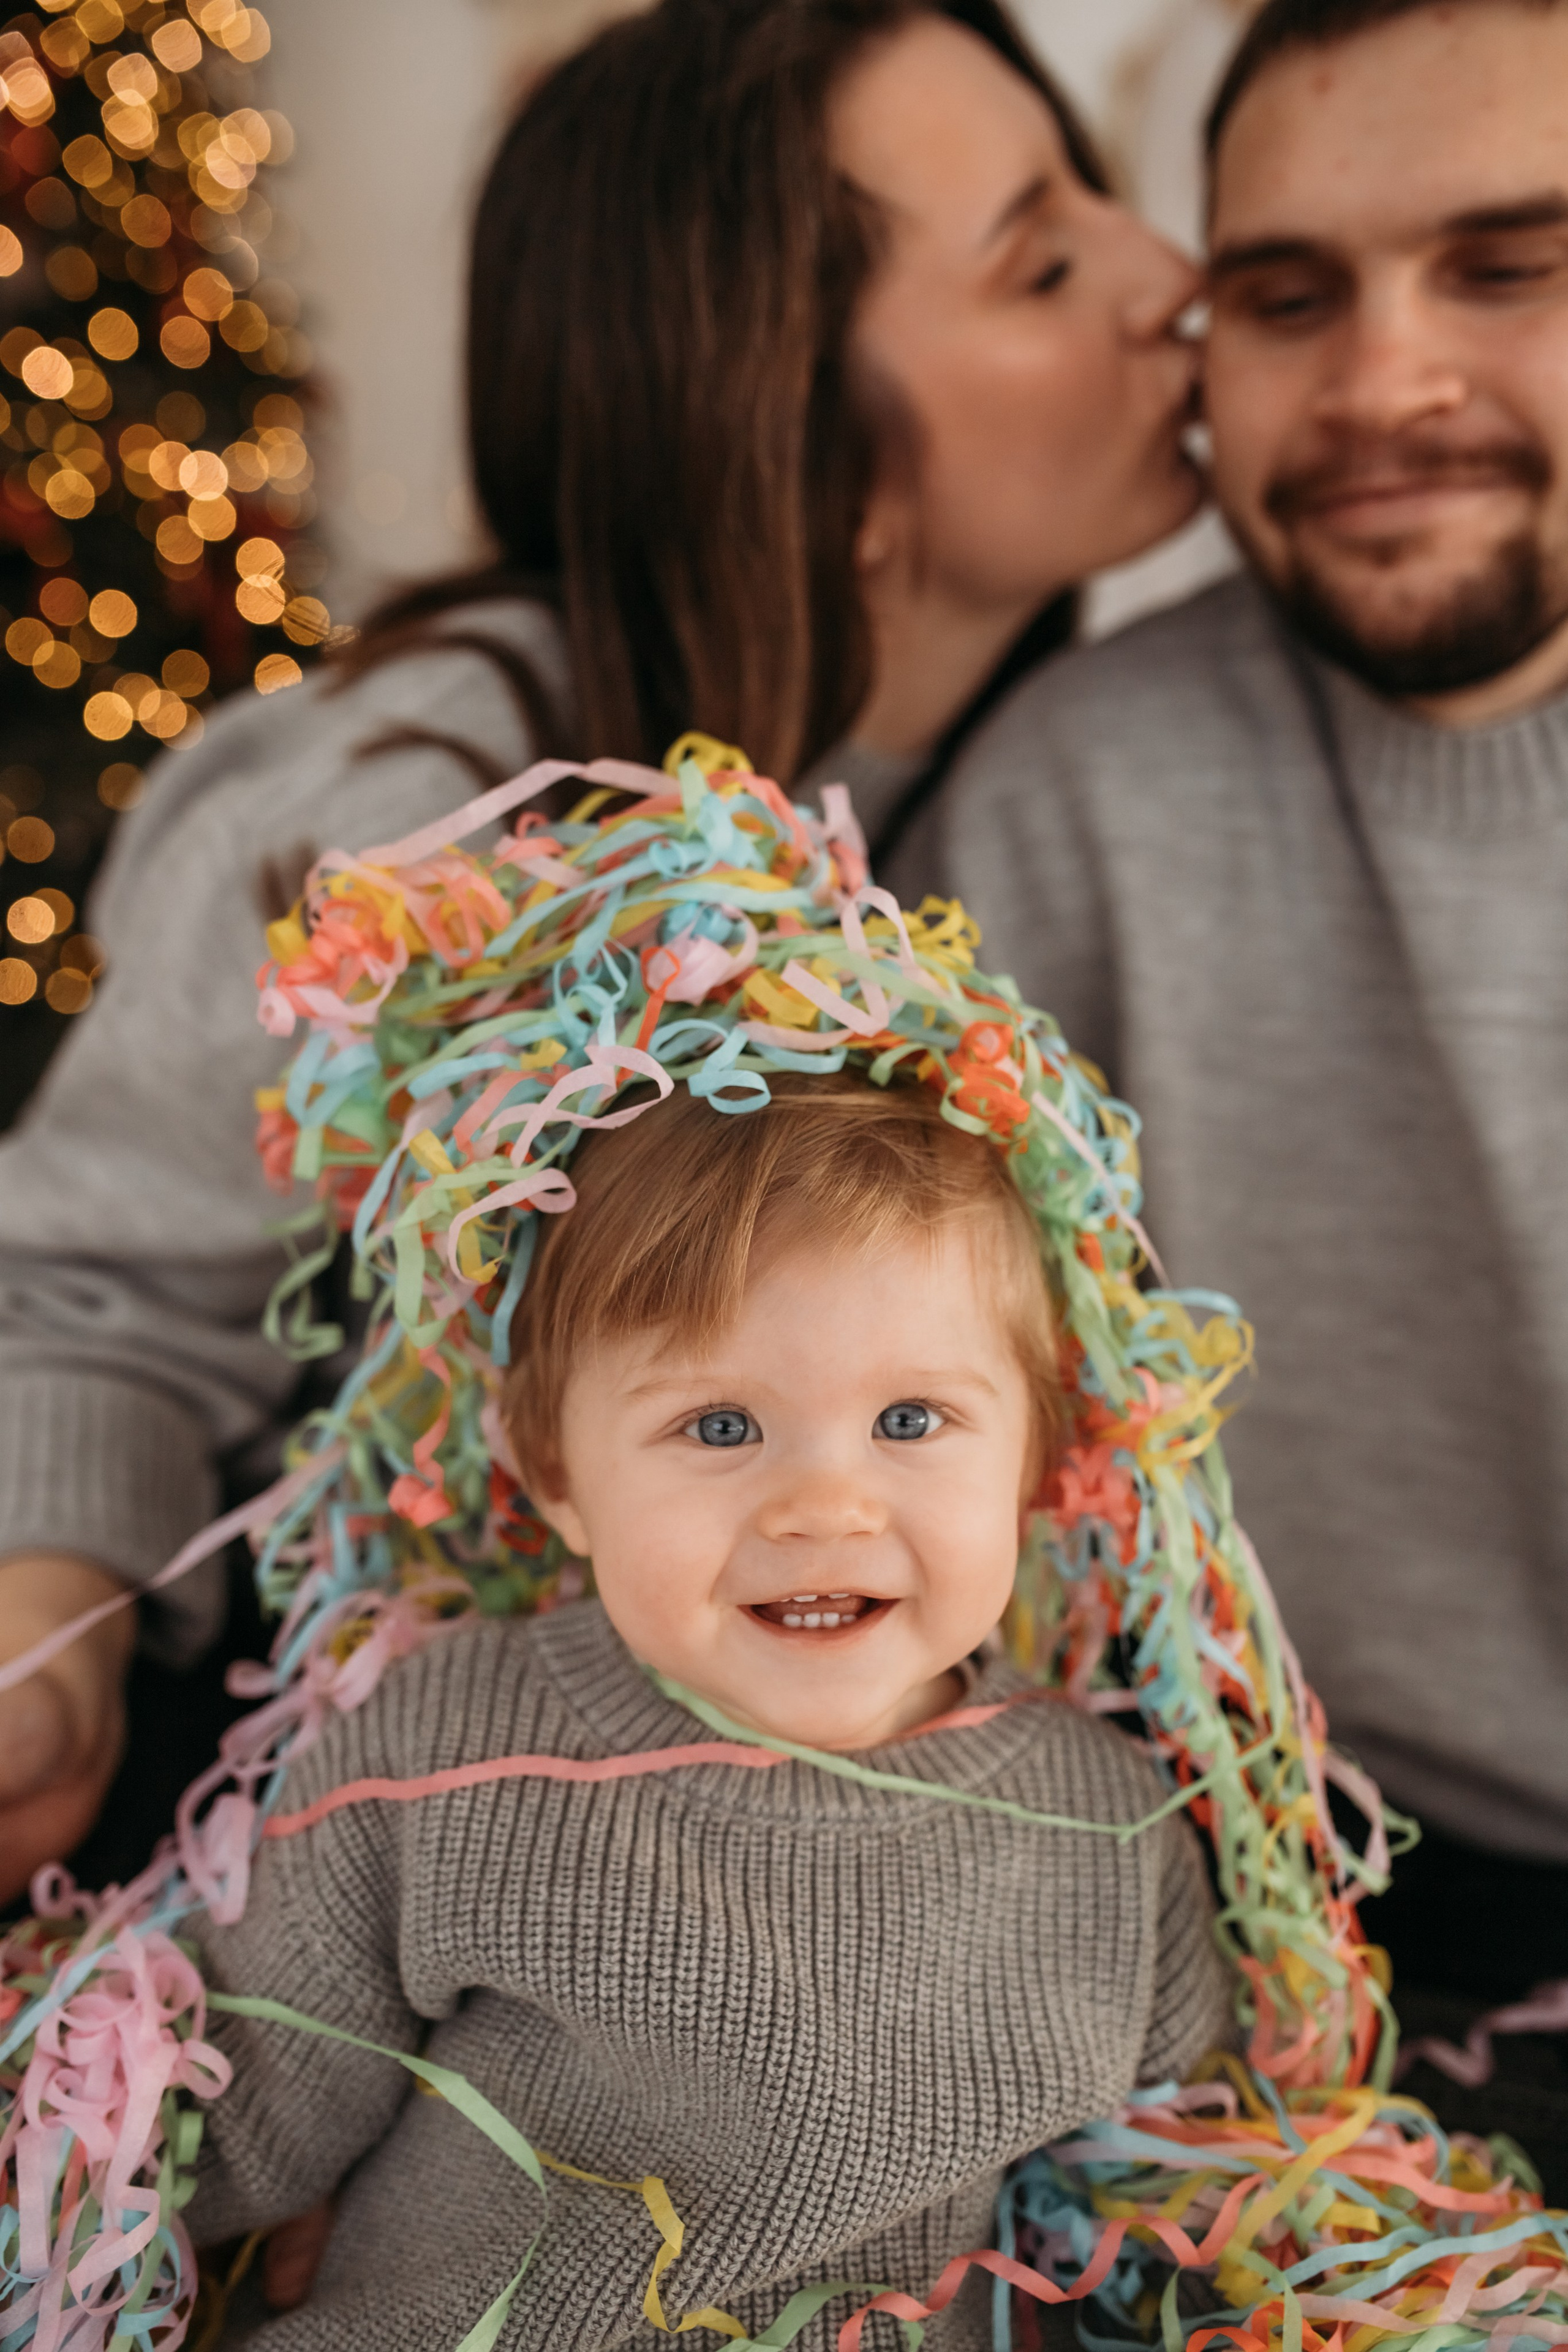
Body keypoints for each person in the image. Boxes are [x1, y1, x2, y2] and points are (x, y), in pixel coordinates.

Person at [0, 0, 1202, 1906]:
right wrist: (46, 1619)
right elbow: (87, 1300)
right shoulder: (411, 827)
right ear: (803, 440)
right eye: (1044, 262)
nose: (1171, 280)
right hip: (357, 1829)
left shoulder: (1073, 771)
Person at [889, 0, 1568, 2013]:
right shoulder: (1069, 795)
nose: (1383, 385)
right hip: (1318, 1917)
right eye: (1285, 298)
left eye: (1509, 269)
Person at [187, 1068, 1230, 2352]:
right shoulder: (443, 1748)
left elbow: (1192, 2204)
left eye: (911, 1419)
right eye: (721, 1425)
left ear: (1033, 1458)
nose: (825, 1508)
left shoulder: (1109, 1829)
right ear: (556, 1471)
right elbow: (244, 2118)